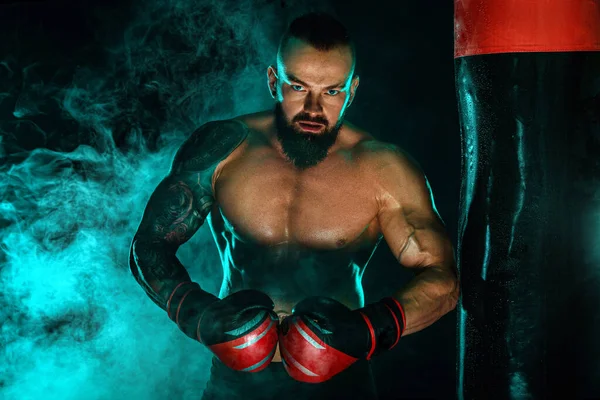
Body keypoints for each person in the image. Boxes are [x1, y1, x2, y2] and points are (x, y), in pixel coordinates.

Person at [129, 12, 459, 400]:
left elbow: (444, 279)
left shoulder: (384, 168)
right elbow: (149, 245)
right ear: (274, 82)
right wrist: (197, 313)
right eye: (299, 87)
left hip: (341, 379)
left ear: (352, 90)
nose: (314, 109)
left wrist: (371, 329)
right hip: (237, 381)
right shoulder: (222, 149)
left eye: (332, 92)